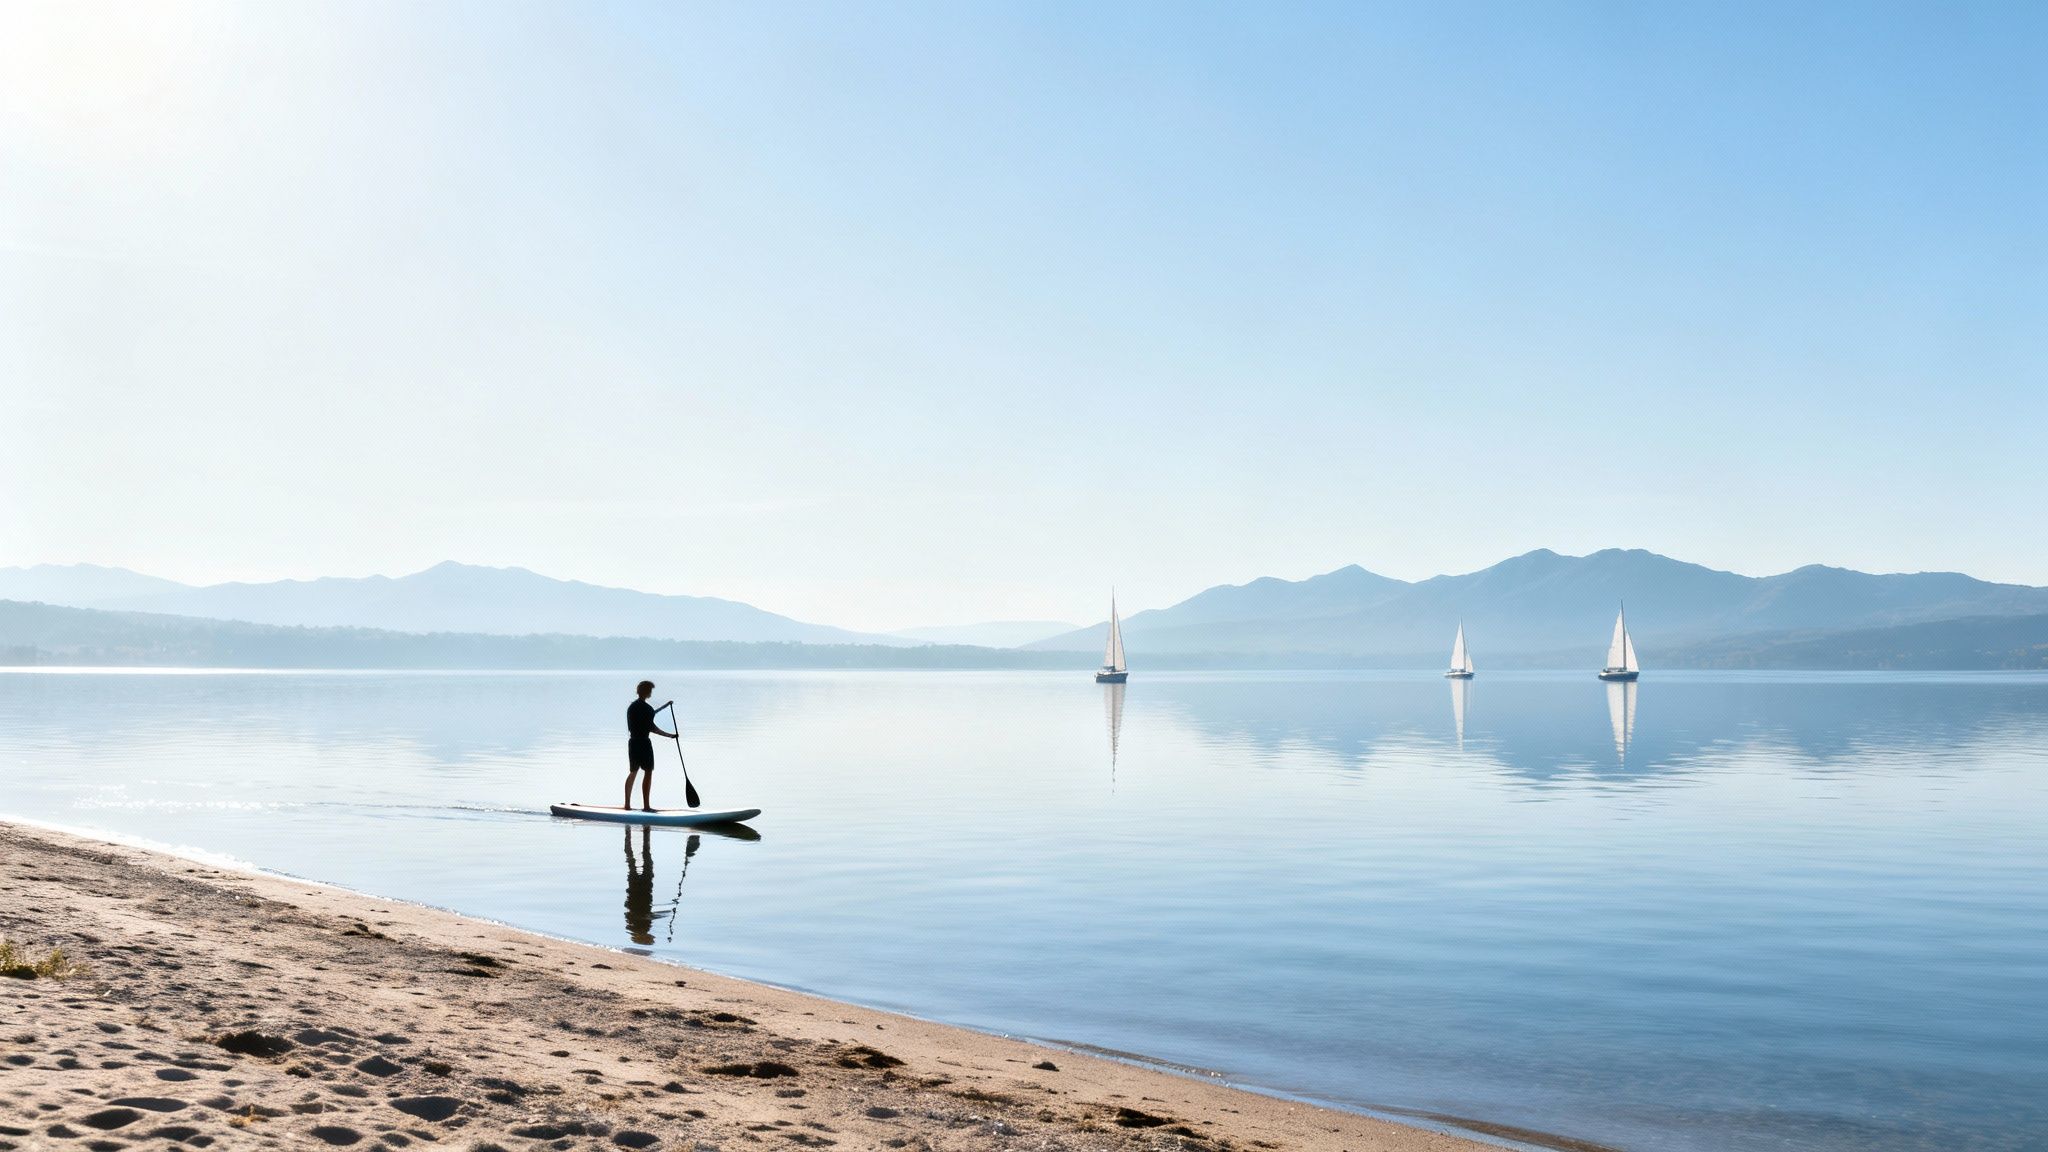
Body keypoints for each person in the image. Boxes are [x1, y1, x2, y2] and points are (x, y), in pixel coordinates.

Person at [625, 680, 676, 810]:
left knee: (633, 772)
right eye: (650, 691)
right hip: (644, 743)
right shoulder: (647, 709)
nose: (651, 693)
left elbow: (649, 715)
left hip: (633, 742)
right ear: (647, 692)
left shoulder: (632, 707)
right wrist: (670, 735)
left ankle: (627, 805)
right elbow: (652, 727)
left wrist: (665, 706)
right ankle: (646, 807)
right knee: (648, 772)